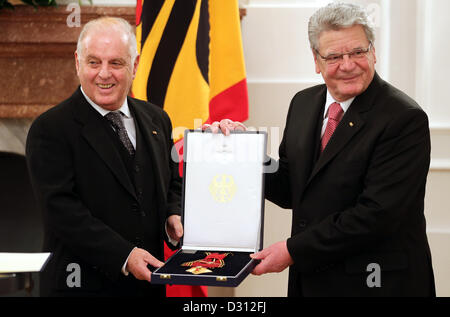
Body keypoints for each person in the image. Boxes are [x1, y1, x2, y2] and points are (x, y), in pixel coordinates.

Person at [208, 3, 435, 297]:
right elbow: (292, 188)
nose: (348, 64)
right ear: (316, 60)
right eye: (334, 56)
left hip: (375, 283)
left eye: (358, 52)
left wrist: (291, 250)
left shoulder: (404, 118)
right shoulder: (303, 104)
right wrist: (243, 154)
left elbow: (375, 216)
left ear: (373, 52)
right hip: (312, 281)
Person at [26, 17, 183, 297]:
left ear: (134, 66)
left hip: (149, 288)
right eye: (94, 62)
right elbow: (63, 213)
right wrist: (126, 255)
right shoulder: (50, 129)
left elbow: (173, 183)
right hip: (80, 288)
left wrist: (174, 212)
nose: (104, 74)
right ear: (78, 63)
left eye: (116, 63)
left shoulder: (157, 119)